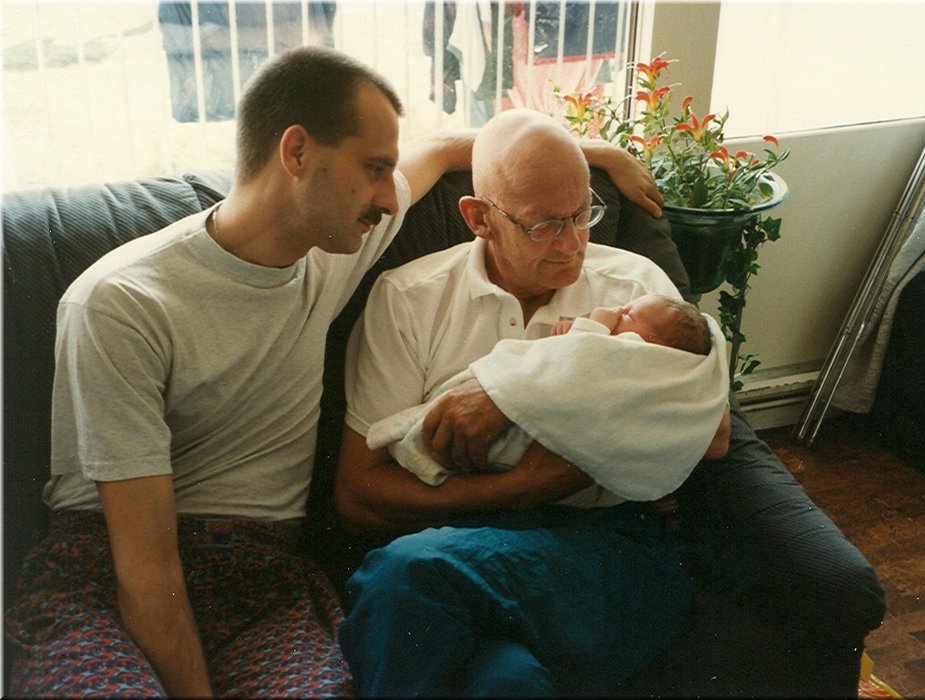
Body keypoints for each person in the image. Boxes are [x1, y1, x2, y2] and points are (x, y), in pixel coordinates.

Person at [3, 47, 663, 697]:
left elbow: (443, 150)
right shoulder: (122, 303)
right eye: (374, 168)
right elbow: (147, 573)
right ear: (296, 153)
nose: (390, 197)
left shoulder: (334, 249)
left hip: (260, 583)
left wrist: (592, 155)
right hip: (105, 578)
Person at [335, 108, 732, 696]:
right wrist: (525, 486)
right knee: (506, 682)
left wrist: (510, 394)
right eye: (544, 226)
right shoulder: (408, 299)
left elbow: (715, 433)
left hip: (607, 548)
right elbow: (357, 495)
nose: (572, 244)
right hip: (462, 543)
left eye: (582, 214)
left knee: (405, 574)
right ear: (479, 218)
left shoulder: (635, 288)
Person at [368, 293, 726, 499]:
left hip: (539, 444)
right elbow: (569, 363)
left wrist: (591, 328)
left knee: (451, 437)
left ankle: (410, 442)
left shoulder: (637, 352)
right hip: (541, 439)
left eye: (629, 313)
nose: (618, 309)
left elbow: (587, 361)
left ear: (651, 343)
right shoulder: (411, 290)